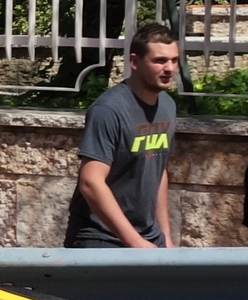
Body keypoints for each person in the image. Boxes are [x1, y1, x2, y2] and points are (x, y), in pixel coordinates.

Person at [68, 23, 182, 249]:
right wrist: (134, 242)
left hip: (148, 238)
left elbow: (158, 171)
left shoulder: (167, 106)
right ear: (134, 62)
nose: (169, 68)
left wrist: (165, 236)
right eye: (159, 61)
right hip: (101, 239)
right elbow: (91, 182)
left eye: (174, 60)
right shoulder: (108, 110)